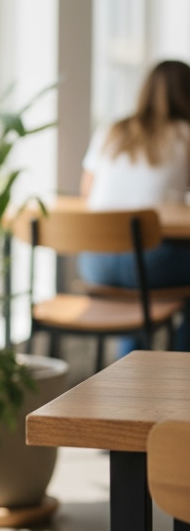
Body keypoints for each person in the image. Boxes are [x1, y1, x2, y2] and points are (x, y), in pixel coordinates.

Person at [79, 58, 190, 351]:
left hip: (95, 262)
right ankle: (183, 371)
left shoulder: (112, 131)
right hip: (153, 263)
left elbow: (86, 193)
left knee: (136, 296)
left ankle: (129, 372)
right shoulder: (185, 134)